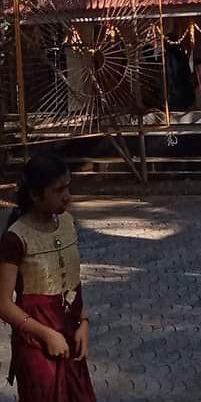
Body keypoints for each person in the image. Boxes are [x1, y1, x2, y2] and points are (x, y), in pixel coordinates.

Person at [0, 153, 96, 402]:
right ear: (35, 195)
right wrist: (46, 334)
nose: (67, 195)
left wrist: (83, 322)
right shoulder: (16, 237)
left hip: (70, 341)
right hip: (37, 348)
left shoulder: (67, 222)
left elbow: (74, 281)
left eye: (68, 186)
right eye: (58, 190)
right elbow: (3, 304)